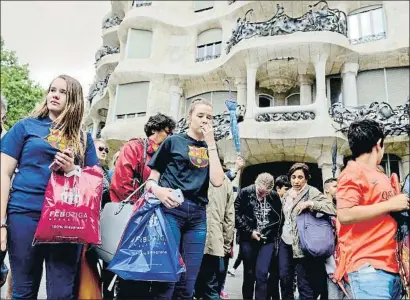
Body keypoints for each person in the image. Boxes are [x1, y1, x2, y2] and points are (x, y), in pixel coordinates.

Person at [0, 75, 99, 299]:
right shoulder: (25, 126)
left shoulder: (84, 137)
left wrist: (73, 169)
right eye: (52, 89)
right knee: (22, 291)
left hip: (67, 219)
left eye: (62, 92)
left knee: (62, 293)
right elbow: (3, 174)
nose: (54, 94)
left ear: (73, 98)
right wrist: (1, 223)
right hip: (25, 214)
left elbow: (95, 180)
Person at [145, 98, 225, 299]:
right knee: (166, 276)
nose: (205, 121)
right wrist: (160, 191)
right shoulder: (173, 141)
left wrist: (212, 143)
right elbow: (151, 180)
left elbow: (217, 181)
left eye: (209, 117)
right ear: (189, 117)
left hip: (198, 216)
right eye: (200, 116)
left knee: (188, 282)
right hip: (171, 210)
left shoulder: (211, 148)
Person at [334, 119, 408, 299]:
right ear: (379, 144)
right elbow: (345, 213)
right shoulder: (352, 172)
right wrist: (390, 204)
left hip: (393, 265)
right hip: (367, 266)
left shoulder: (379, 174)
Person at [109, 113, 176, 300]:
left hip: (160, 222)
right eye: (167, 132)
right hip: (135, 219)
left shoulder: (168, 153)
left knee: (154, 278)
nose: (170, 136)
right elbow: (121, 184)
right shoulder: (135, 148)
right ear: (154, 129)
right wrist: (141, 211)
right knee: (133, 275)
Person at [279, 163, 336, 300]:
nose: (296, 181)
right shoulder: (287, 195)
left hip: (303, 244)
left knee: (304, 284)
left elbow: (332, 209)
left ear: (306, 179)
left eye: (300, 177)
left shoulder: (312, 192)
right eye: (293, 177)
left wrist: (311, 204)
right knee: (285, 279)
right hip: (286, 242)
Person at [195, 156, 244, 300]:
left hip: (192, 243)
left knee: (188, 288)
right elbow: (230, 218)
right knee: (212, 288)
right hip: (215, 244)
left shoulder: (192, 177)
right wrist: (227, 244)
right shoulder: (226, 183)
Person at [235, 173, 284, 300]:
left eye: (266, 193)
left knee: (262, 274)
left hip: (266, 239)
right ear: (256, 184)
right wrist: (250, 232)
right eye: (260, 192)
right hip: (248, 238)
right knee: (249, 275)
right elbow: (235, 214)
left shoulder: (274, 196)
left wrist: (274, 237)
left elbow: (279, 218)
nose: (263, 196)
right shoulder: (245, 192)